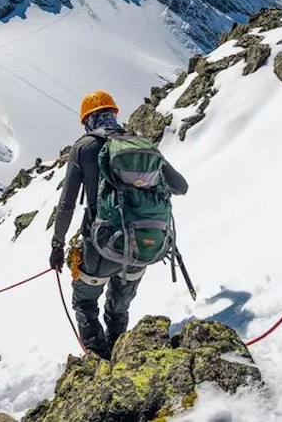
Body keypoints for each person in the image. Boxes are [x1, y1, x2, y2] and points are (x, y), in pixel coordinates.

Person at [48, 90, 188, 360]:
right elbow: (180, 186)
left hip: (99, 248)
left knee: (85, 302)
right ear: (114, 113)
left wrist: (57, 244)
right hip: (141, 248)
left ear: (87, 119)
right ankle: (120, 349)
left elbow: (66, 205)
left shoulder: (84, 148)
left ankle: (99, 359)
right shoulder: (141, 145)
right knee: (119, 307)